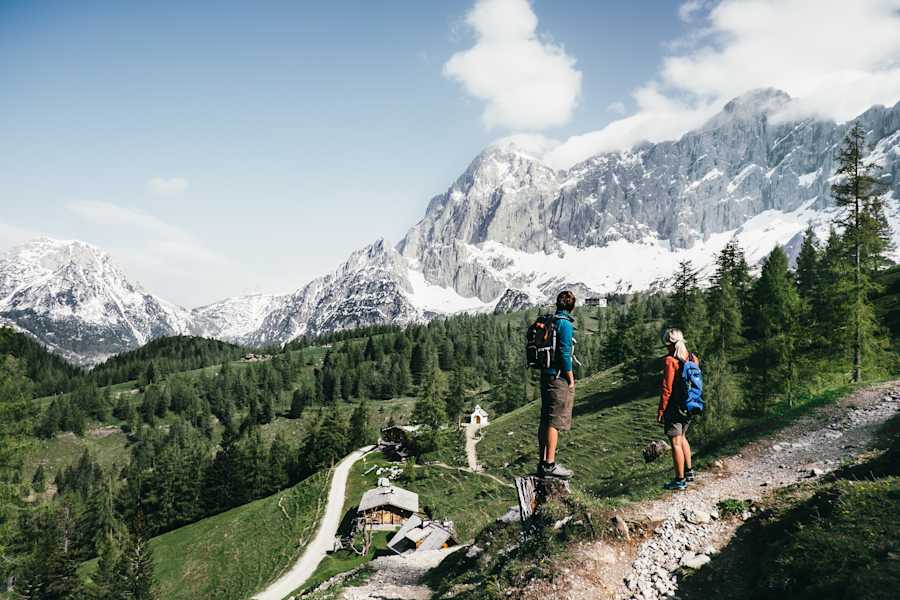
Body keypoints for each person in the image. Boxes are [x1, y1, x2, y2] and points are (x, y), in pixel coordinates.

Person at [537, 290, 577, 479]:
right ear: (571, 307)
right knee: (554, 421)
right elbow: (564, 353)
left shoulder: (550, 321)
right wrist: (570, 378)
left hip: (545, 375)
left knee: (545, 419)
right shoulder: (565, 324)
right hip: (558, 377)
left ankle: (542, 461)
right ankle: (550, 464)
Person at [657, 328, 696, 491]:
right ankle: (689, 472)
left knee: (675, 443)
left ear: (669, 344)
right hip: (689, 405)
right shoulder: (693, 358)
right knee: (683, 437)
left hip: (674, 408)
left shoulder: (670, 361)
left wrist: (661, 411)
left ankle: (679, 480)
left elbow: (667, 389)